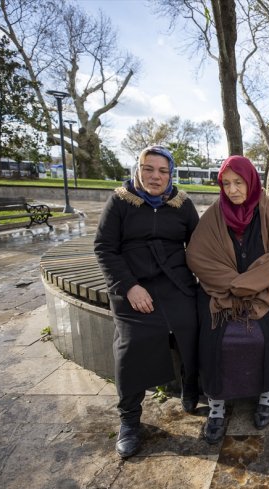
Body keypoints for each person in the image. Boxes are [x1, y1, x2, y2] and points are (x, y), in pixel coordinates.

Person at [94, 145, 200, 459]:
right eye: (149, 169)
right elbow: (104, 248)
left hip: (174, 282)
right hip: (133, 284)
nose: (155, 176)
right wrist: (129, 287)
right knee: (132, 341)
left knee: (193, 325)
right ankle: (129, 418)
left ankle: (191, 385)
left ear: (171, 174)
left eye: (163, 171)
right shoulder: (120, 202)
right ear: (138, 170)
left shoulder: (182, 204)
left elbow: (198, 246)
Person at [186, 156, 269, 444]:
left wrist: (250, 284)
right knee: (216, 340)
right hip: (222, 293)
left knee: (266, 337)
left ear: (251, 182)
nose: (232, 190)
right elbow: (197, 257)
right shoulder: (213, 215)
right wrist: (236, 285)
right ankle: (217, 405)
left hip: (266, 291)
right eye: (226, 183)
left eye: (238, 182)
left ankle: (266, 395)